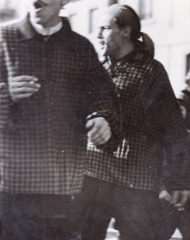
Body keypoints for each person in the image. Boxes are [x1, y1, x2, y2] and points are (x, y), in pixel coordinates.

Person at [0, 0, 122, 239]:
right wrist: (5, 94)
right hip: (10, 183)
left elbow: (102, 95)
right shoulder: (4, 38)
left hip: (61, 184)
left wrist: (101, 118)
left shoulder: (80, 47)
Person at [79, 4, 190, 240]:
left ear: (125, 31)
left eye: (104, 28)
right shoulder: (98, 68)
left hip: (135, 178)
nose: (98, 35)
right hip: (93, 172)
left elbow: (174, 127)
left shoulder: (151, 70)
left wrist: (180, 179)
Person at [159, 99, 190, 240]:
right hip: (165, 196)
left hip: (187, 198)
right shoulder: (159, 138)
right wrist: (161, 189)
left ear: (186, 113)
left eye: (181, 109)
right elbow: (154, 166)